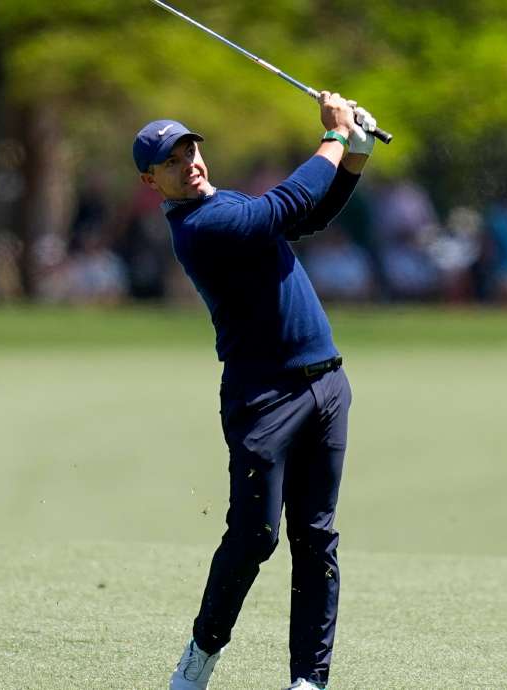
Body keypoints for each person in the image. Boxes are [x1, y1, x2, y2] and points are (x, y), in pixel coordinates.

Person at [134, 92, 376, 690]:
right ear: (152, 182)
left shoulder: (227, 202)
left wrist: (354, 161)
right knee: (255, 537)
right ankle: (199, 658)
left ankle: (308, 682)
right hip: (262, 400)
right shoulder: (198, 226)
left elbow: (308, 217)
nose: (190, 161)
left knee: (316, 538)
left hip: (326, 385)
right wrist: (335, 136)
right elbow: (284, 204)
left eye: (191, 148)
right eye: (172, 160)